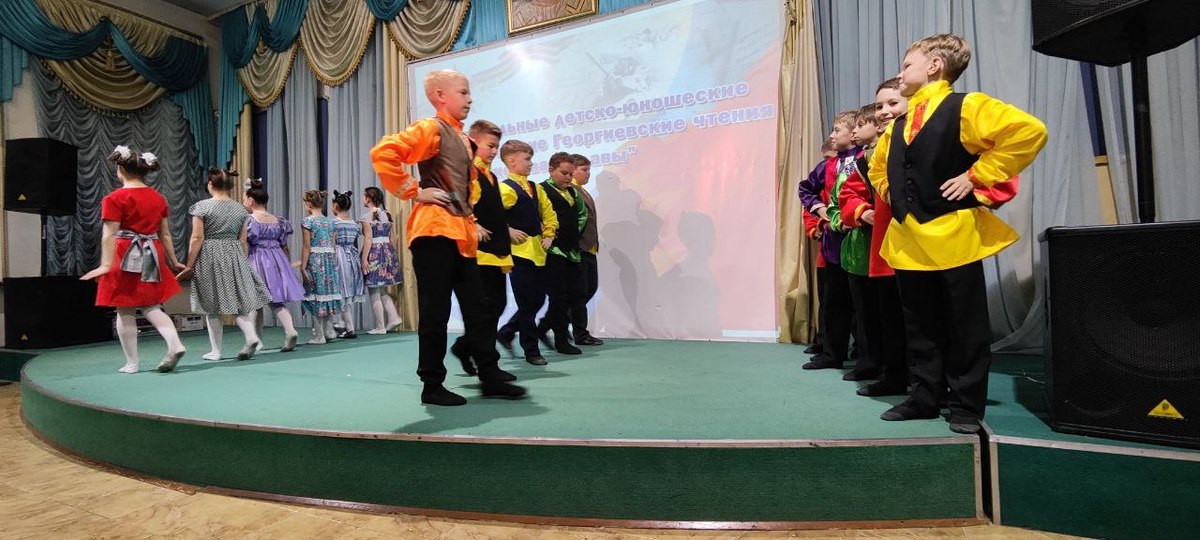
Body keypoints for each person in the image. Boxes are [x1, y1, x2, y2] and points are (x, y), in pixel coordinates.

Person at [867, 34, 1048, 433]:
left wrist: (977, 175)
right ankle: (924, 397)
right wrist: (891, 192)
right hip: (909, 239)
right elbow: (878, 168)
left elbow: (1028, 131)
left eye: (907, 65)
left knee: (965, 325)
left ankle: (965, 405)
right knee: (919, 325)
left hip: (954, 234)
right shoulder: (898, 127)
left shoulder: (966, 106)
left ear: (934, 65)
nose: (901, 73)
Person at [370, 68, 526, 405]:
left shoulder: (464, 139)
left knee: (479, 309)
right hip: (433, 232)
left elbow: (468, 189)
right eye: (463, 92)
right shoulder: (431, 128)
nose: (469, 99)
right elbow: (384, 152)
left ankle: (490, 375)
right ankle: (432, 385)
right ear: (440, 96)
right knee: (435, 311)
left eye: (468, 93)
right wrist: (414, 190)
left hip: (460, 234)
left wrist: (471, 220)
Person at [82, 146, 187, 373]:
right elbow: (165, 234)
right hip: (152, 253)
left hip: (126, 253)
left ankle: (132, 363)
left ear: (120, 170)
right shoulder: (158, 198)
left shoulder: (114, 198)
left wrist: (105, 265)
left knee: (124, 309)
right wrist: (173, 259)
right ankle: (175, 343)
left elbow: (109, 234)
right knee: (152, 306)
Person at [449, 120, 518, 382]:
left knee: (497, 306)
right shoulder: (469, 172)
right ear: (473, 142)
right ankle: (487, 363)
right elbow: (457, 200)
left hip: (497, 252)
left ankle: (465, 346)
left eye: (496, 146)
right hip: (478, 253)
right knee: (485, 310)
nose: (493, 151)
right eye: (490, 146)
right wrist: (472, 224)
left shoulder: (491, 176)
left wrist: (506, 231)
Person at [177, 168, 271, 361]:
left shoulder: (202, 207)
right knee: (237, 303)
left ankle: (216, 351)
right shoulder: (240, 209)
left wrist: (189, 264)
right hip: (234, 254)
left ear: (210, 184)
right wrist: (242, 262)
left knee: (212, 306)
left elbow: (197, 238)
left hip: (210, 256)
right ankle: (251, 336)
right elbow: (243, 240)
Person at [495, 139, 559, 366]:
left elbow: (549, 213)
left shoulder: (535, 187)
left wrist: (549, 233)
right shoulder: (504, 189)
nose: (531, 163)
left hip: (539, 252)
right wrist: (507, 230)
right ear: (512, 161)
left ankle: (506, 332)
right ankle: (531, 350)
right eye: (527, 159)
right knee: (527, 304)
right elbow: (490, 215)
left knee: (537, 300)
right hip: (519, 254)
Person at [243, 178, 303, 352]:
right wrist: (286, 264)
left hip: (257, 259)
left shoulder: (250, 220)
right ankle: (290, 330)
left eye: (244, 198)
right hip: (277, 259)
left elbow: (245, 242)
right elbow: (284, 246)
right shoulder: (277, 220)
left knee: (255, 301)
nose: (243, 201)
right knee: (276, 300)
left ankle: (256, 339)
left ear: (251, 200)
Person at [536, 152, 587, 356]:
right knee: (558, 298)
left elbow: (582, 214)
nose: (568, 177)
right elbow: (536, 217)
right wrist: (549, 236)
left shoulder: (574, 193)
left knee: (575, 294)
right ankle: (561, 339)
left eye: (571, 174)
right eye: (564, 173)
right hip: (553, 251)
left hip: (571, 251)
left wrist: (573, 233)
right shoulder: (541, 190)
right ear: (551, 170)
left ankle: (545, 329)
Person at [566, 153, 603, 346]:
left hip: (590, 248)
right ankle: (580, 332)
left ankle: (562, 319)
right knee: (580, 293)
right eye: (584, 169)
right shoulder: (571, 191)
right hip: (580, 248)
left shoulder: (583, 191)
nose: (588, 173)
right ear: (573, 170)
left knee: (590, 288)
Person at [360, 186, 403, 335]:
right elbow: (393, 238)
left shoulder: (367, 217)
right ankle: (394, 317)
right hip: (388, 252)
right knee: (382, 289)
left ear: (368, 199)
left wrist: (364, 258)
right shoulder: (387, 215)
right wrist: (392, 256)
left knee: (374, 290)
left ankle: (380, 326)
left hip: (375, 253)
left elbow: (368, 239)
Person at [331, 190, 366, 339]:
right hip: (352, 256)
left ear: (336, 206)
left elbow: (333, 243)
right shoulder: (354, 224)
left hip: (339, 255)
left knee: (341, 291)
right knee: (347, 291)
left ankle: (350, 327)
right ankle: (342, 324)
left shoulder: (334, 223)